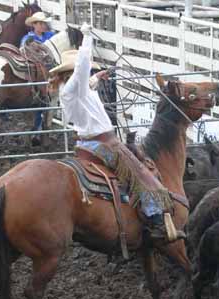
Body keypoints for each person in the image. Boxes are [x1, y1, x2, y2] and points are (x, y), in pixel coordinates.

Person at [47, 23, 185, 245]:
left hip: (91, 142)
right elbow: (83, 70)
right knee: (140, 173)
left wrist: (98, 78)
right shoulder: (74, 87)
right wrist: (87, 37)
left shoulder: (73, 90)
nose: (88, 73)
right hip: (102, 143)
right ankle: (156, 219)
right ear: (72, 73)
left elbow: (87, 82)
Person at [21, 12, 56, 142]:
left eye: (44, 23)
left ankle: (41, 129)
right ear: (34, 25)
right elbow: (24, 51)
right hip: (38, 74)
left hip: (50, 72)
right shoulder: (28, 38)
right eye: (40, 23)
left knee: (45, 102)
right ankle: (36, 130)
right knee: (40, 101)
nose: (43, 26)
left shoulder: (49, 35)